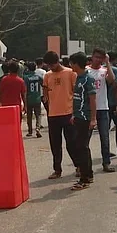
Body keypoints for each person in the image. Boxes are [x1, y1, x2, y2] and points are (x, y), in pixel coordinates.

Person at [43, 51, 78, 179]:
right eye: (49, 65)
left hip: (68, 113)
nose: (51, 67)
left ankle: (78, 166)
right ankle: (57, 170)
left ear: (58, 61)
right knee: (55, 144)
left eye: (53, 64)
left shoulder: (70, 73)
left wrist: (75, 111)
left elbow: (76, 93)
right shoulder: (47, 76)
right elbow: (45, 94)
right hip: (53, 114)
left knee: (72, 143)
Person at [69, 52, 97, 191]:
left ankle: (84, 178)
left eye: (71, 63)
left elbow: (92, 99)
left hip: (86, 118)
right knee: (81, 146)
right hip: (78, 116)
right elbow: (77, 98)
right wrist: (74, 114)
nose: (70, 66)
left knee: (81, 147)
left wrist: (93, 118)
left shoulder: (88, 79)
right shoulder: (78, 78)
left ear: (76, 63)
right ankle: (88, 175)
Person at [86, 47, 116, 173]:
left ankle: (106, 162)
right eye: (96, 57)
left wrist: (108, 63)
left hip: (103, 108)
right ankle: (82, 165)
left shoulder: (104, 71)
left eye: (101, 58)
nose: (98, 60)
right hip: (88, 109)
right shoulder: (86, 71)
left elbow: (112, 80)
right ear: (92, 57)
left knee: (105, 137)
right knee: (85, 138)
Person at [23, 62, 44, 138]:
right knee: (38, 115)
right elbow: (44, 85)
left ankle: (30, 131)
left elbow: (25, 90)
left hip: (29, 98)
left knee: (29, 116)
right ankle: (38, 128)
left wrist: (24, 103)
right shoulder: (38, 77)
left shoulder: (26, 78)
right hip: (37, 98)